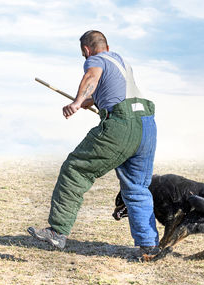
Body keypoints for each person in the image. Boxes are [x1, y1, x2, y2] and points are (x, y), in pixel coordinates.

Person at [28, 30, 159, 257]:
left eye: (84, 55)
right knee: (137, 187)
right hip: (147, 125)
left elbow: (92, 77)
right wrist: (92, 100)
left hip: (122, 125)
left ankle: (57, 232)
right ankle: (149, 246)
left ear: (86, 50)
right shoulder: (121, 61)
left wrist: (77, 102)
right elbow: (112, 92)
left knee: (75, 169)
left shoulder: (95, 60)